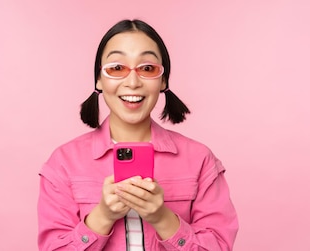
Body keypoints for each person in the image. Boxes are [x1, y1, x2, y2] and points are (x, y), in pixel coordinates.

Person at [37, 19, 239, 250]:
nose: (132, 82)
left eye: (147, 69)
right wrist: (102, 217)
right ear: (99, 80)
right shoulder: (63, 163)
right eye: (116, 68)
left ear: (163, 80)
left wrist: (162, 218)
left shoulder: (200, 160)